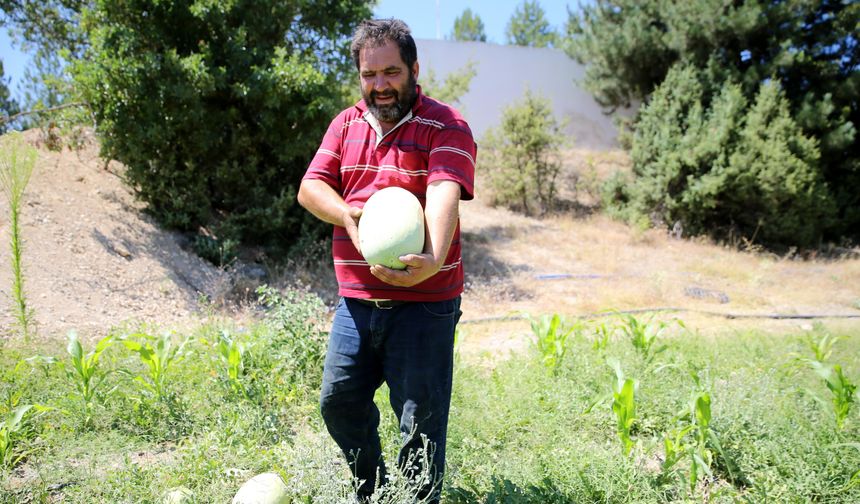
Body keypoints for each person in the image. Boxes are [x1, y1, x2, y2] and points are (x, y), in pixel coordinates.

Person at [297, 18, 476, 503]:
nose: (380, 85)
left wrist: (434, 257)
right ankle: (370, 490)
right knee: (339, 401)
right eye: (369, 74)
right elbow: (310, 188)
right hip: (356, 303)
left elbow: (443, 189)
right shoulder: (346, 123)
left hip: (425, 304)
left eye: (391, 72)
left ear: (415, 69)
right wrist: (347, 213)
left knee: (420, 420)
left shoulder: (446, 124)